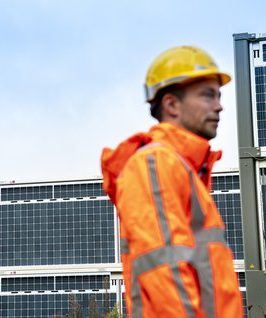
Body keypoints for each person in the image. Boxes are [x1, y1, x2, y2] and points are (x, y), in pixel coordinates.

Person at [101, 46, 244, 317]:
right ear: (171, 105)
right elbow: (165, 271)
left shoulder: (184, 168)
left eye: (219, 96)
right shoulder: (154, 164)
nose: (219, 105)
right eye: (207, 95)